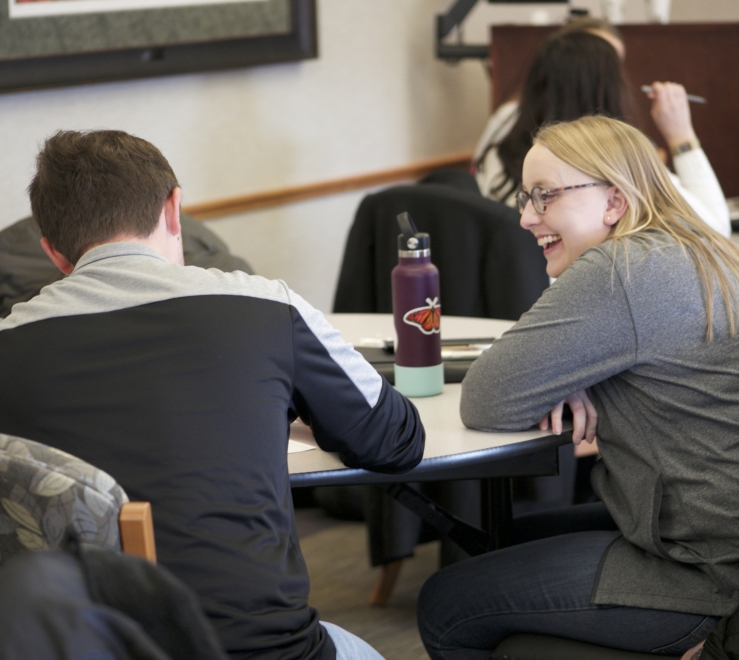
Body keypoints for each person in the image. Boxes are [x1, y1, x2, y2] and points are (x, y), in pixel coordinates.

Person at [0, 130, 426, 660]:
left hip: (93, 646)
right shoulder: (266, 306)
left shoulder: (8, 345)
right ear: (174, 207)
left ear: (54, 252)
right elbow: (397, 442)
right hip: (268, 650)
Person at [417, 116, 739, 659]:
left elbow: (488, 398)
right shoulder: (704, 248)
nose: (525, 218)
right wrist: (579, 373)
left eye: (546, 196)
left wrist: (571, 375)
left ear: (614, 202)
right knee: (504, 542)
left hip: (705, 573)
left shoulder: (623, 268)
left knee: (445, 603)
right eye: (525, 197)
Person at [474, 28, 731, 237]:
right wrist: (681, 136)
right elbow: (716, 229)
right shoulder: (612, 159)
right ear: (609, 88)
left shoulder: (499, 143)